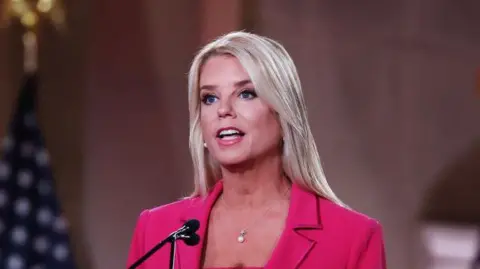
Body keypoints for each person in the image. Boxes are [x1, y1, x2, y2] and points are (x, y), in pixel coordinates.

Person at [126, 31, 387, 269]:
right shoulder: (156, 231)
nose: (223, 110)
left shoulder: (353, 238)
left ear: (283, 113)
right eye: (209, 98)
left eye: (246, 93)